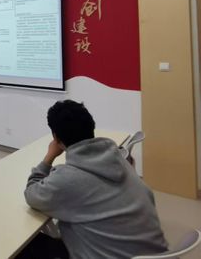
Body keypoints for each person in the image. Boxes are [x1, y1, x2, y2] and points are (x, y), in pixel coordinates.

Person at [19, 100, 168, 259]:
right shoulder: (120, 159)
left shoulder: (67, 179)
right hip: (157, 254)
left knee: (26, 247)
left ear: (56, 137)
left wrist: (49, 157)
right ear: (91, 127)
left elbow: (31, 194)